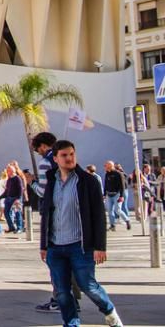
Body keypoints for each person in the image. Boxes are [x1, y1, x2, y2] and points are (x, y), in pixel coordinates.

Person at [41, 140, 124, 327]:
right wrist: (44, 245)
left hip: (80, 245)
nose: (69, 158)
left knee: (88, 286)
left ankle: (109, 312)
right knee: (62, 292)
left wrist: (100, 246)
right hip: (55, 246)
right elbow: (47, 213)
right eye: (64, 155)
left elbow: (98, 215)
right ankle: (71, 323)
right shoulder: (52, 181)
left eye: (71, 154)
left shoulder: (87, 181)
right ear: (56, 159)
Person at [31, 131, 63, 314]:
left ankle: (60, 300)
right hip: (67, 211)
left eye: (38, 149)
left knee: (54, 258)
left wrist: (31, 182)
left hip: (52, 212)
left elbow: (43, 191)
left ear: (43, 146)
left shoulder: (46, 162)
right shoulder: (62, 159)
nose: (38, 153)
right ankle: (67, 299)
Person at [102, 161, 131, 231]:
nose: (105, 167)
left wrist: (121, 196)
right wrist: (104, 195)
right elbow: (106, 184)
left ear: (110, 166)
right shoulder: (107, 174)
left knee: (117, 210)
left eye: (106, 166)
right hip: (109, 195)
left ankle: (127, 220)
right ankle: (112, 225)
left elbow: (122, 186)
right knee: (109, 211)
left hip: (117, 194)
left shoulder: (118, 174)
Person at [2, 165, 25, 233]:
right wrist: (1, 197)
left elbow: (20, 189)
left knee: (17, 213)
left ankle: (19, 228)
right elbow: (7, 190)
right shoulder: (9, 179)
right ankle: (11, 227)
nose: (7, 172)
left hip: (16, 199)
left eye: (8, 170)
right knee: (6, 212)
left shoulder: (17, 178)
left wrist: (18, 199)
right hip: (8, 198)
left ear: (12, 171)